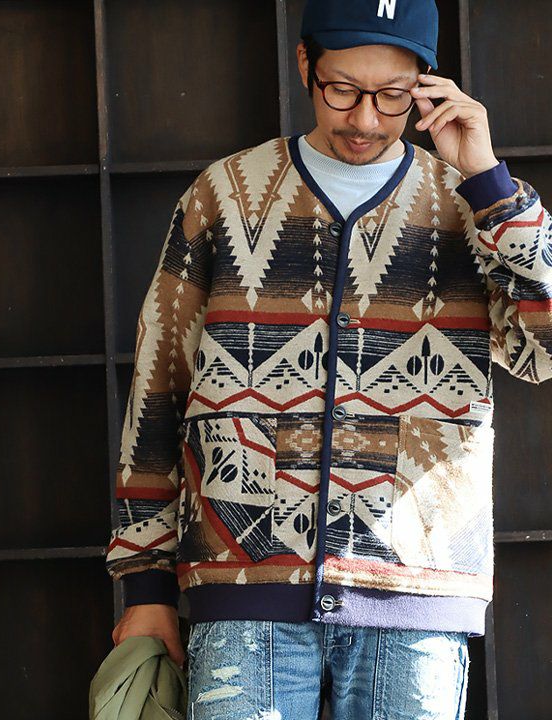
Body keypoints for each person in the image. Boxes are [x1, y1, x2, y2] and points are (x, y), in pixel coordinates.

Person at [105, 1, 552, 718]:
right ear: (305, 64)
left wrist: (490, 183)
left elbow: (543, 350)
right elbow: (159, 389)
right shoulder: (223, 197)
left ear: (426, 85)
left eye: (392, 96)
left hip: (416, 594)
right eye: (341, 90)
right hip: (243, 587)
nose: (365, 119)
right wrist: (145, 584)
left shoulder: (472, 205)